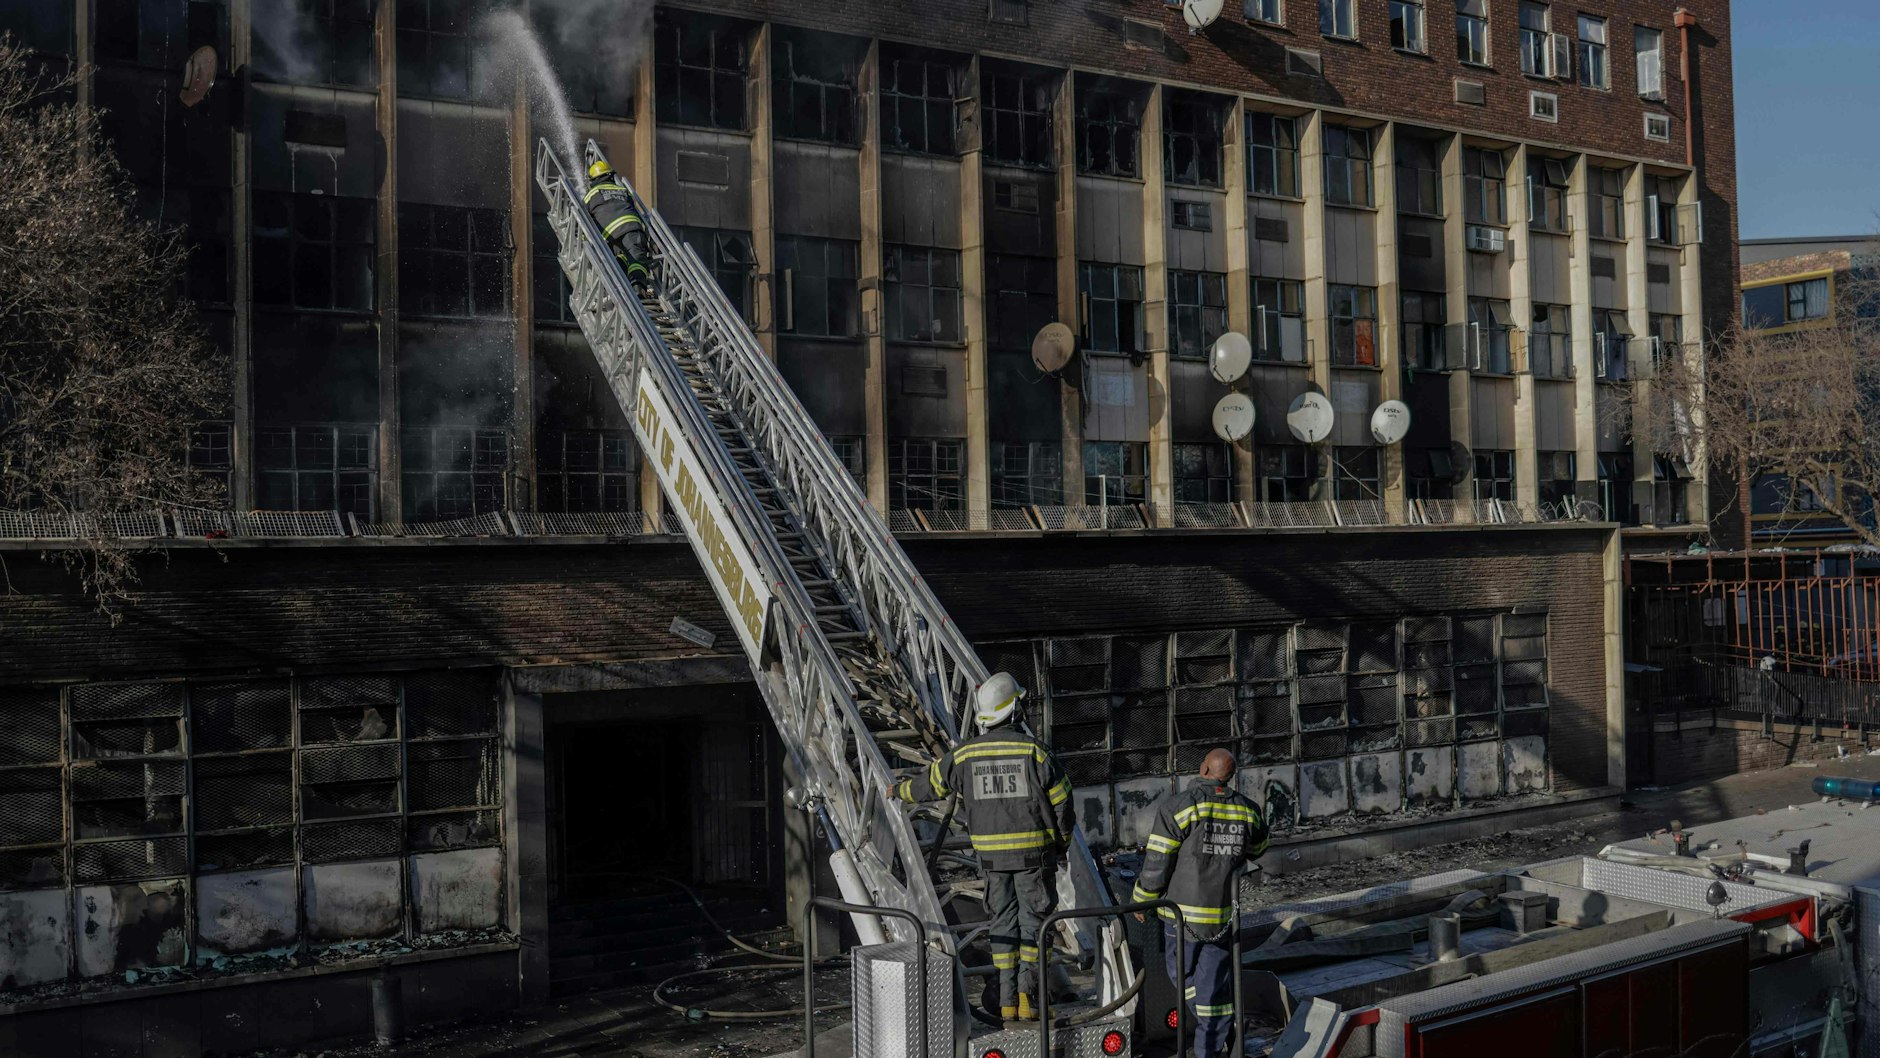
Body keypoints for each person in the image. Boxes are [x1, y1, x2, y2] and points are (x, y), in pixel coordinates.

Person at [889, 672, 1073, 1025]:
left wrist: (897, 792)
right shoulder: (1034, 752)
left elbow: (931, 785)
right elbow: (1063, 806)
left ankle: (1006, 1004)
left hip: (991, 861)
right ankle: (1029, 1001)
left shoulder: (965, 755)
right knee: (1034, 928)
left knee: (1002, 927)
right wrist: (1060, 845)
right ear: (1015, 709)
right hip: (1034, 860)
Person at [1131, 748, 1269, 1058]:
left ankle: (1210, 1025)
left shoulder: (1179, 807)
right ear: (1230, 776)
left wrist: (1142, 900)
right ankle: (1211, 1044)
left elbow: (1157, 862)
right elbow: (1260, 846)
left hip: (1181, 917)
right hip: (1221, 917)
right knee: (1213, 986)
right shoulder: (1247, 810)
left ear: (1204, 768)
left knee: (1180, 975)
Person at [582, 159, 653, 292]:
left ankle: (620, 280)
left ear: (593, 180)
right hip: (632, 228)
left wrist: (582, 239)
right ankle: (638, 288)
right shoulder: (623, 190)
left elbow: (583, 219)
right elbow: (632, 208)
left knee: (622, 256)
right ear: (610, 175)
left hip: (610, 236)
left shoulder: (590, 195)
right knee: (636, 257)